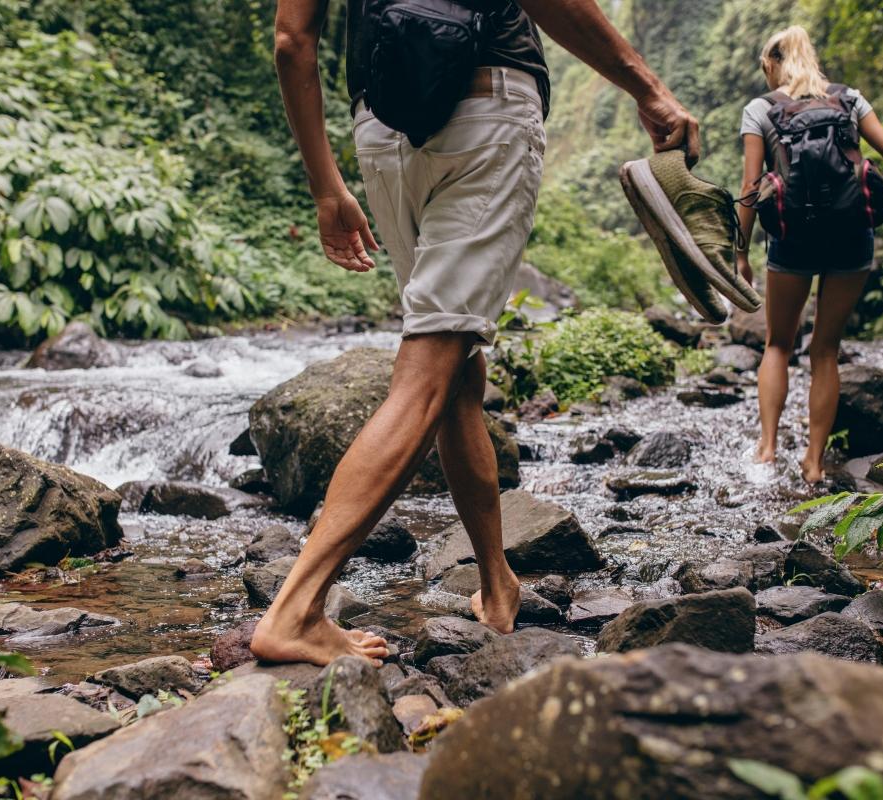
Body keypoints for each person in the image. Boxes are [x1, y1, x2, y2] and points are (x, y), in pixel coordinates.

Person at [249, 0, 699, 667]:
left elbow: (293, 39)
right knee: (430, 368)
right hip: (486, 106)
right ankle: (296, 608)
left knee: (457, 368)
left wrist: (325, 185)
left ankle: (496, 584)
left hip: (384, 124)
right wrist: (649, 90)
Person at [736, 26, 883, 484]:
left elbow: (750, 189)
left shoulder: (761, 109)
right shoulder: (849, 99)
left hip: (792, 238)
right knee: (825, 350)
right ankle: (812, 464)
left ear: (772, 63)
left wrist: (740, 256)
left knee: (778, 345)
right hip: (852, 236)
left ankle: (766, 453)